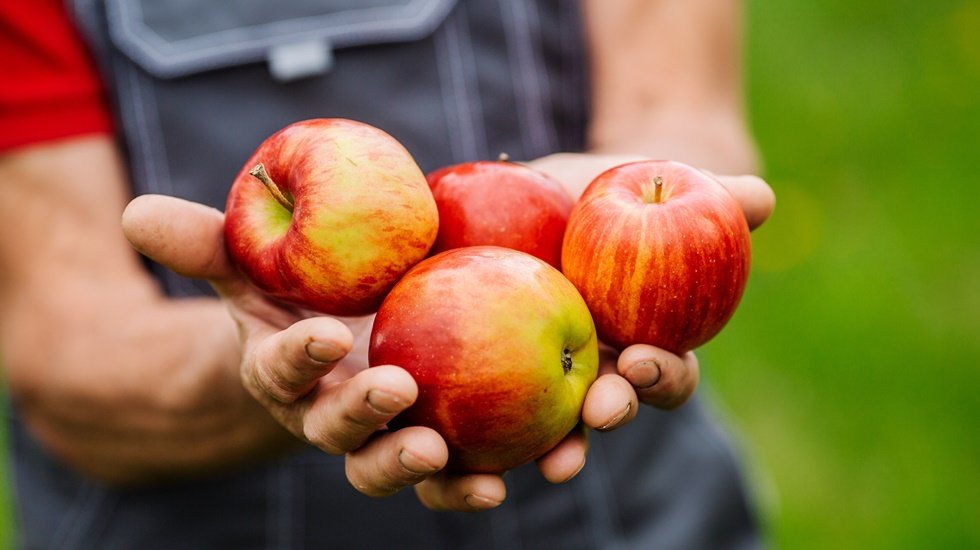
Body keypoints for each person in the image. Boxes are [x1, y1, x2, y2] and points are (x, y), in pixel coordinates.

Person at [0, 0, 775, 548]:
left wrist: (652, 233)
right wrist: (298, 364)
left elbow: (681, 116)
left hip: (619, 506)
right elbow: (68, 348)